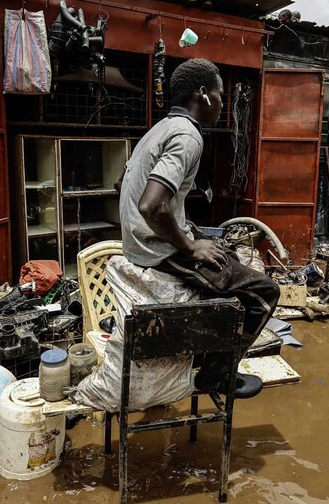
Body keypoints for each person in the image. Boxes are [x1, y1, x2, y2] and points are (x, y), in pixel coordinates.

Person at [117, 58, 280, 399]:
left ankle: (207, 352)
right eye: (221, 95)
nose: (222, 104)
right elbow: (151, 205)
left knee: (227, 254)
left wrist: (181, 222)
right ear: (204, 95)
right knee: (264, 293)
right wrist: (189, 246)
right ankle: (216, 375)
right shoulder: (188, 136)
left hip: (139, 242)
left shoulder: (160, 129)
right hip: (156, 251)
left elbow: (124, 184)